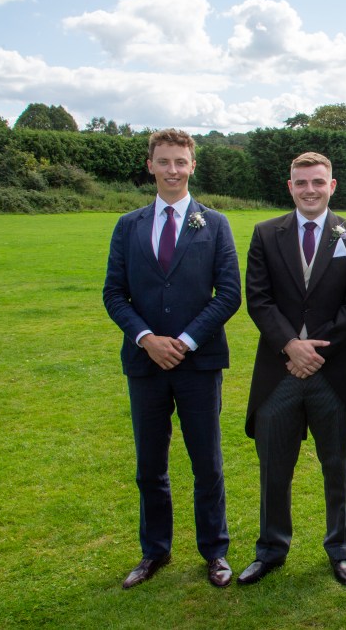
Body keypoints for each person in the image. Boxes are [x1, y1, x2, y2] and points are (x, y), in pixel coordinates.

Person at [103, 128, 241, 589]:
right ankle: (155, 551)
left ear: (192, 166)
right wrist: (147, 338)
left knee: (208, 464)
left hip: (198, 363)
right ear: (150, 166)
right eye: (164, 161)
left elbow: (229, 293)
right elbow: (114, 293)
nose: (173, 170)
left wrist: (183, 341)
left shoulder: (215, 223)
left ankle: (215, 552)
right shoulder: (129, 225)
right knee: (150, 465)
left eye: (181, 161)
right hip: (145, 364)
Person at [237, 152, 346, 587]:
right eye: (301, 183)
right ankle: (270, 550)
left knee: (337, 467)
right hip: (278, 373)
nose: (309, 190)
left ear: (331, 186)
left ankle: (341, 550)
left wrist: (315, 353)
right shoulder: (265, 233)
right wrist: (291, 346)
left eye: (318, 182)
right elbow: (258, 298)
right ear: (290, 186)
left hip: (332, 375)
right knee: (274, 469)